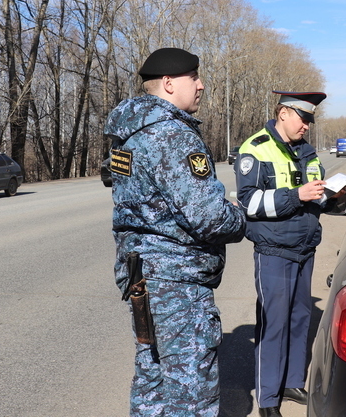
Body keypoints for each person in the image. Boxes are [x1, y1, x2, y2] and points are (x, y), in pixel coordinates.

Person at [104, 47, 246, 417]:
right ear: (168, 83)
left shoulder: (129, 133)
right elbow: (209, 217)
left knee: (152, 380)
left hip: (142, 276)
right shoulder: (173, 136)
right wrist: (239, 218)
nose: (201, 86)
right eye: (193, 78)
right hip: (177, 281)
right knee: (190, 393)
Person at [235, 91, 345, 417]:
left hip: (305, 247)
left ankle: (293, 381)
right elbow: (249, 203)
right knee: (274, 324)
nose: (308, 126)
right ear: (283, 113)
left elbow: (317, 196)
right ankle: (269, 399)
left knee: (300, 319)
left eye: (311, 120)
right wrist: (296, 195)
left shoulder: (308, 153)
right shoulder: (255, 149)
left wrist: (334, 197)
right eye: (303, 118)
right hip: (274, 250)